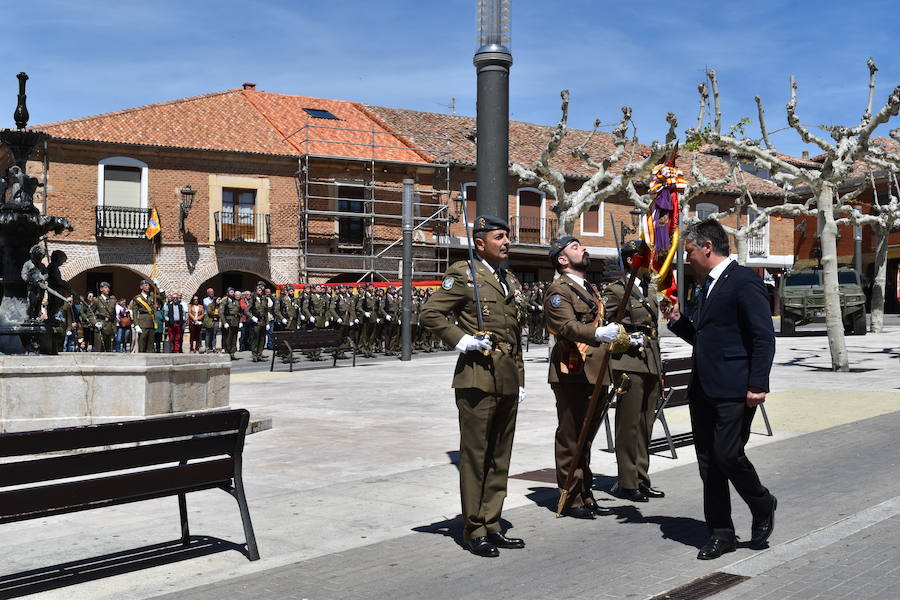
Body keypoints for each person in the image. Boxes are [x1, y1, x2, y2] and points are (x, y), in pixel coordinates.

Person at [664, 219, 777, 560]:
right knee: (708, 463)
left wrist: (758, 383)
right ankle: (721, 532)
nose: (687, 259)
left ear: (707, 248)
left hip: (734, 389)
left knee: (728, 455)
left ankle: (761, 502)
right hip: (702, 389)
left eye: (689, 251)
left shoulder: (743, 281)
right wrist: (679, 323)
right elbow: (707, 337)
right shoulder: (706, 285)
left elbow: (763, 336)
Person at [419, 215, 527, 558]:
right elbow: (430, 313)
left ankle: (493, 522)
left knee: (500, 455)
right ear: (480, 243)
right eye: (500, 236)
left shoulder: (508, 278)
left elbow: (514, 337)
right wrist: (461, 340)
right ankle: (474, 527)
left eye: (507, 236)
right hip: (477, 378)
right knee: (476, 455)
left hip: (507, 376)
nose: (507, 241)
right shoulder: (463, 274)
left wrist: (520, 380)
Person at [544, 236, 624, 519]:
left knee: (586, 436)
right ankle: (571, 497)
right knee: (571, 436)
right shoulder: (558, 290)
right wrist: (597, 334)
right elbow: (564, 325)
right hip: (572, 370)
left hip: (596, 372)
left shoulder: (588, 288)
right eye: (576, 248)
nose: (584, 250)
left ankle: (585, 492)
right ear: (562, 259)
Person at [603, 240, 665, 503]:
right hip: (628, 362)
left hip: (649, 361)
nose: (650, 262)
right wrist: (627, 338)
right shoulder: (617, 290)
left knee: (645, 423)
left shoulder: (648, 290)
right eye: (645, 257)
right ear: (631, 260)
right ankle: (627, 482)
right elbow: (605, 325)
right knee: (628, 424)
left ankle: (641, 477)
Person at [244, 282, 270, 362]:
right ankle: (254, 355)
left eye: (261, 290)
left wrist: (267, 322)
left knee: (262, 339)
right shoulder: (253, 299)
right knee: (256, 338)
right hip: (256, 322)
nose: (260, 291)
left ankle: (259, 354)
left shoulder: (264, 299)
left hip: (263, 321)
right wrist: (252, 317)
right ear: (256, 291)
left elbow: (266, 311)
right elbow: (246, 310)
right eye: (259, 290)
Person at [130, 279, 157, 353]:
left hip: (151, 323)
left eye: (148, 285)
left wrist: (158, 286)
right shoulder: (137, 298)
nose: (148, 287)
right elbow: (134, 312)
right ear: (141, 287)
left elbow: (163, 298)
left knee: (150, 345)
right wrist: (136, 325)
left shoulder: (151, 297)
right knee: (142, 344)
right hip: (143, 324)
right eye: (146, 285)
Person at [91, 282, 117, 352]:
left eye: (108, 288)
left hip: (109, 327)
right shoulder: (96, 300)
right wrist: (95, 323)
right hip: (100, 326)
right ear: (101, 289)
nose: (108, 289)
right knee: (99, 348)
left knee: (109, 350)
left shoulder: (113, 300)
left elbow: (114, 315)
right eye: (105, 287)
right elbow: (90, 313)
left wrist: (114, 328)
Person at [220, 287, 242, 359]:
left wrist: (241, 321)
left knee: (234, 338)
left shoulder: (236, 301)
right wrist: (224, 322)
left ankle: (232, 353)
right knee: (228, 338)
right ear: (227, 293)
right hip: (228, 321)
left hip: (236, 321)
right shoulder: (225, 302)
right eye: (231, 292)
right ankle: (227, 353)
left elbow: (240, 312)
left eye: (233, 292)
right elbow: (221, 313)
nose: (233, 293)